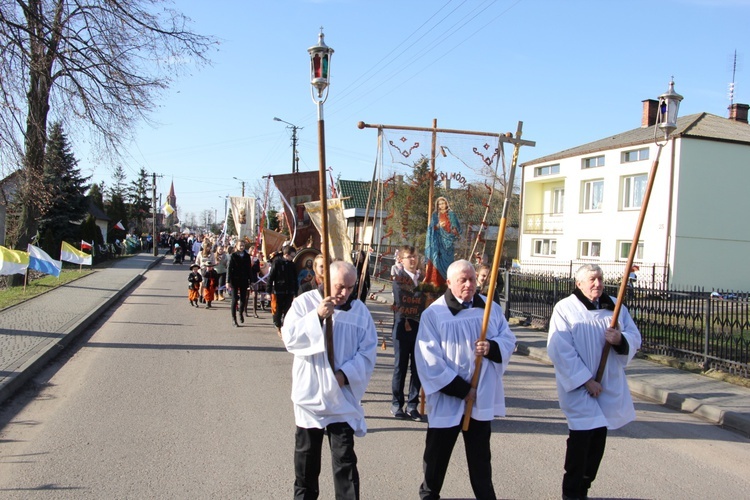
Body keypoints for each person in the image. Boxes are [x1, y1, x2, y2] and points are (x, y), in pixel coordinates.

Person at [415, 259, 516, 500]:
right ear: (449, 283)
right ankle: (429, 495)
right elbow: (428, 358)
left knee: (481, 458)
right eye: (463, 280)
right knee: (436, 456)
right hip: (449, 397)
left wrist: (491, 347)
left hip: (479, 397)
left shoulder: (490, 308)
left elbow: (509, 339)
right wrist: (461, 389)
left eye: (472, 279)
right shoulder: (435, 314)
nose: (469, 284)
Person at [281, 260, 378, 500]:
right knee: (306, 461)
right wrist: (317, 316)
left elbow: (368, 351)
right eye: (339, 286)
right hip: (311, 395)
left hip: (340, 397)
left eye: (350, 287)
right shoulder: (305, 303)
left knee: (345, 461)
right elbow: (290, 338)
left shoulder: (360, 312)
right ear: (325, 281)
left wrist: (345, 375)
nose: (344, 293)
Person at [547, 264, 642, 500]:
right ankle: (571, 492)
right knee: (581, 439)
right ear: (578, 283)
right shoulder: (566, 308)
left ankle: (585, 485)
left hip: (607, 384)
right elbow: (560, 349)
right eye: (592, 279)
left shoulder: (615, 307)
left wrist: (620, 338)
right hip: (579, 387)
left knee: (598, 439)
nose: (597, 283)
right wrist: (586, 380)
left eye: (599, 278)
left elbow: (635, 336)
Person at [390, 245, 424, 421]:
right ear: (401, 260)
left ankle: (412, 405)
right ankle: (397, 404)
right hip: (403, 328)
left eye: (415, 256)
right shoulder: (398, 279)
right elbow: (403, 301)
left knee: (417, 368)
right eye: (409, 257)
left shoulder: (423, 279)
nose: (413, 259)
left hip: (420, 329)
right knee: (400, 367)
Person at [423, 196, 461, 287]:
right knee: (436, 260)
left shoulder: (451, 214)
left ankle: (447, 282)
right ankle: (435, 282)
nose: (442, 205)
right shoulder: (435, 215)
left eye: (443, 203)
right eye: (440, 204)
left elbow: (455, 227)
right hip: (437, 242)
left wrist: (453, 230)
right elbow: (431, 228)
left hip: (448, 242)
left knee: (448, 262)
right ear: (437, 205)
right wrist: (438, 226)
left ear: (446, 204)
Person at [268, 245, 298, 336]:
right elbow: (271, 277)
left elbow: (295, 278)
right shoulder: (277, 263)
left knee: (288, 310)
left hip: (289, 291)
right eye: (292, 256)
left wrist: (296, 292)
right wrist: (268, 291)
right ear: (286, 255)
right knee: (278, 310)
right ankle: (278, 325)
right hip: (279, 290)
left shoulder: (292, 265)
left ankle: (285, 328)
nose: (293, 258)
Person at [227, 240, 251, 327]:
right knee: (234, 299)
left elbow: (249, 269)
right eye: (240, 245)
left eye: (243, 245)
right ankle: (234, 319)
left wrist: (251, 280)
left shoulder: (247, 256)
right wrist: (227, 281)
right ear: (236, 246)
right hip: (234, 279)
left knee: (243, 299)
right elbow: (229, 269)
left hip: (244, 279)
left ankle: (240, 312)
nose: (242, 247)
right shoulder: (233, 256)